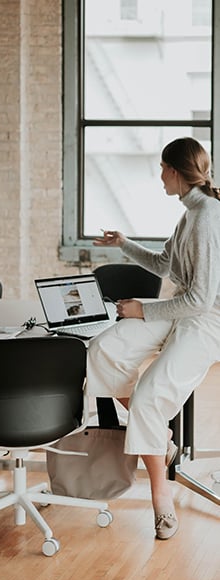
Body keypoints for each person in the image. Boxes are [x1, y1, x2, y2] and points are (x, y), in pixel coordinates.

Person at [87, 137, 220, 540]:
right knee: (102, 349)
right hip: (179, 308)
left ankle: (161, 500)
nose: (159, 175)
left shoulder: (206, 217)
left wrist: (142, 309)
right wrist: (122, 244)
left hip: (206, 320)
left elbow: (201, 299)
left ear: (176, 172)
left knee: (146, 398)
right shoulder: (189, 213)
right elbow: (165, 265)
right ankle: (159, 436)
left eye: (162, 167)